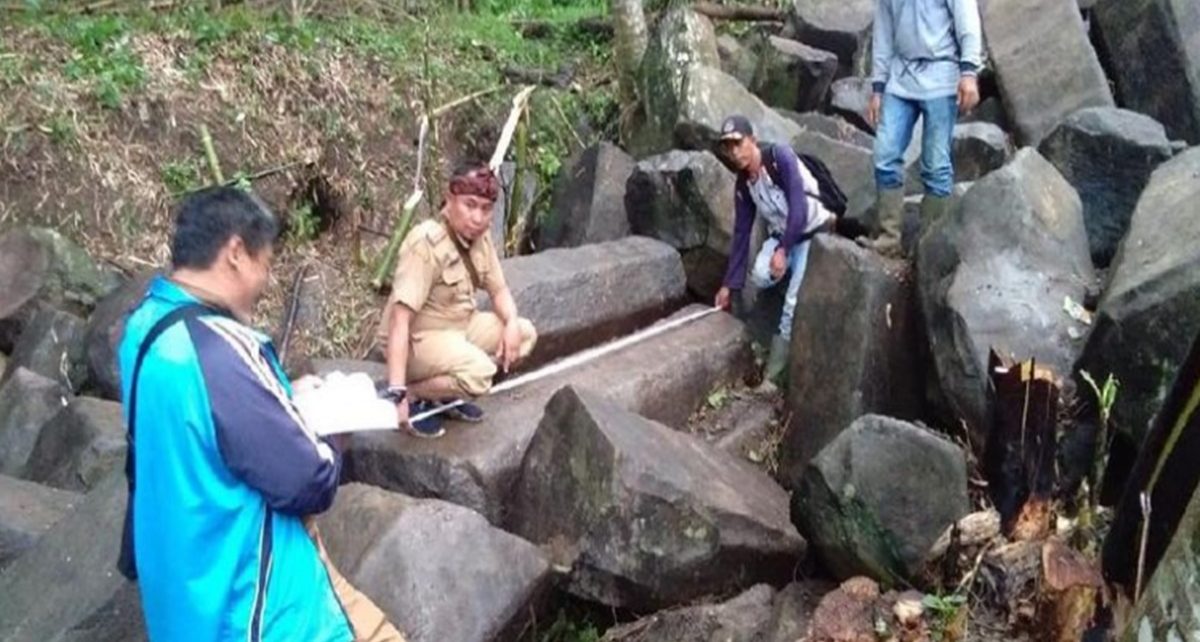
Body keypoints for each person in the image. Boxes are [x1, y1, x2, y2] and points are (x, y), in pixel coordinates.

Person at [118, 187, 403, 642]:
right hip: (258, 607)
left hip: (185, 596)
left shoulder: (144, 326)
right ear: (235, 252)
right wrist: (336, 430)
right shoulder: (221, 348)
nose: (266, 280)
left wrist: (285, 395)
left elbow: (210, 427)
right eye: (265, 264)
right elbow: (308, 480)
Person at [379, 162, 538, 437]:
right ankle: (415, 395)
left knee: (525, 334)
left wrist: (511, 322)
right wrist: (397, 393)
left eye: (486, 209)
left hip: (460, 327)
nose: (477, 217)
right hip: (419, 337)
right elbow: (399, 320)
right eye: (470, 205)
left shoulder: (481, 239)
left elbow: (498, 290)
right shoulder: (425, 243)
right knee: (480, 372)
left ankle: (443, 393)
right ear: (450, 199)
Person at [714, 115, 837, 388]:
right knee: (759, 275)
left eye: (738, 143)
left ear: (753, 141)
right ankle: (789, 269)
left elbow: (799, 209)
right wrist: (728, 286)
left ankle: (775, 374)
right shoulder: (744, 184)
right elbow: (742, 233)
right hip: (781, 233)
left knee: (793, 302)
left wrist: (783, 251)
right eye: (728, 147)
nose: (734, 152)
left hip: (811, 231)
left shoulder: (780, 158)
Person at [860, 0, 982, 257]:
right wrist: (878, 87)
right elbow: (883, 34)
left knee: (935, 164)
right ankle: (888, 237)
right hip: (900, 76)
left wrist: (969, 72)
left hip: (942, 74)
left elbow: (968, 21)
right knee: (885, 153)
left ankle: (929, 247)